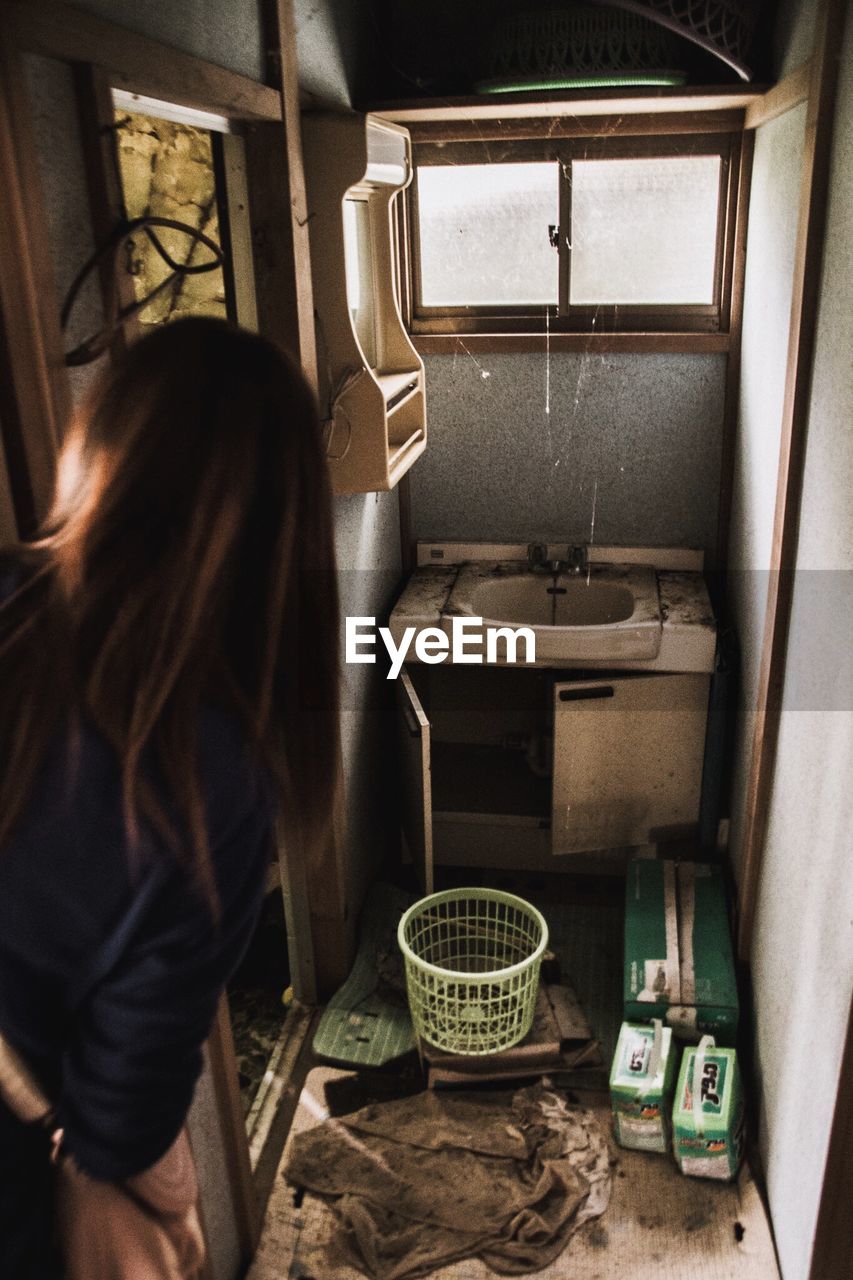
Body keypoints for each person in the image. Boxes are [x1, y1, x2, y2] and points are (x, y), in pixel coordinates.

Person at [0, 317, 340, 1276]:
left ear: (101, 452)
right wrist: (167, 1196)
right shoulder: (214, 778)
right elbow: (119, 1112)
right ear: (285, 529)